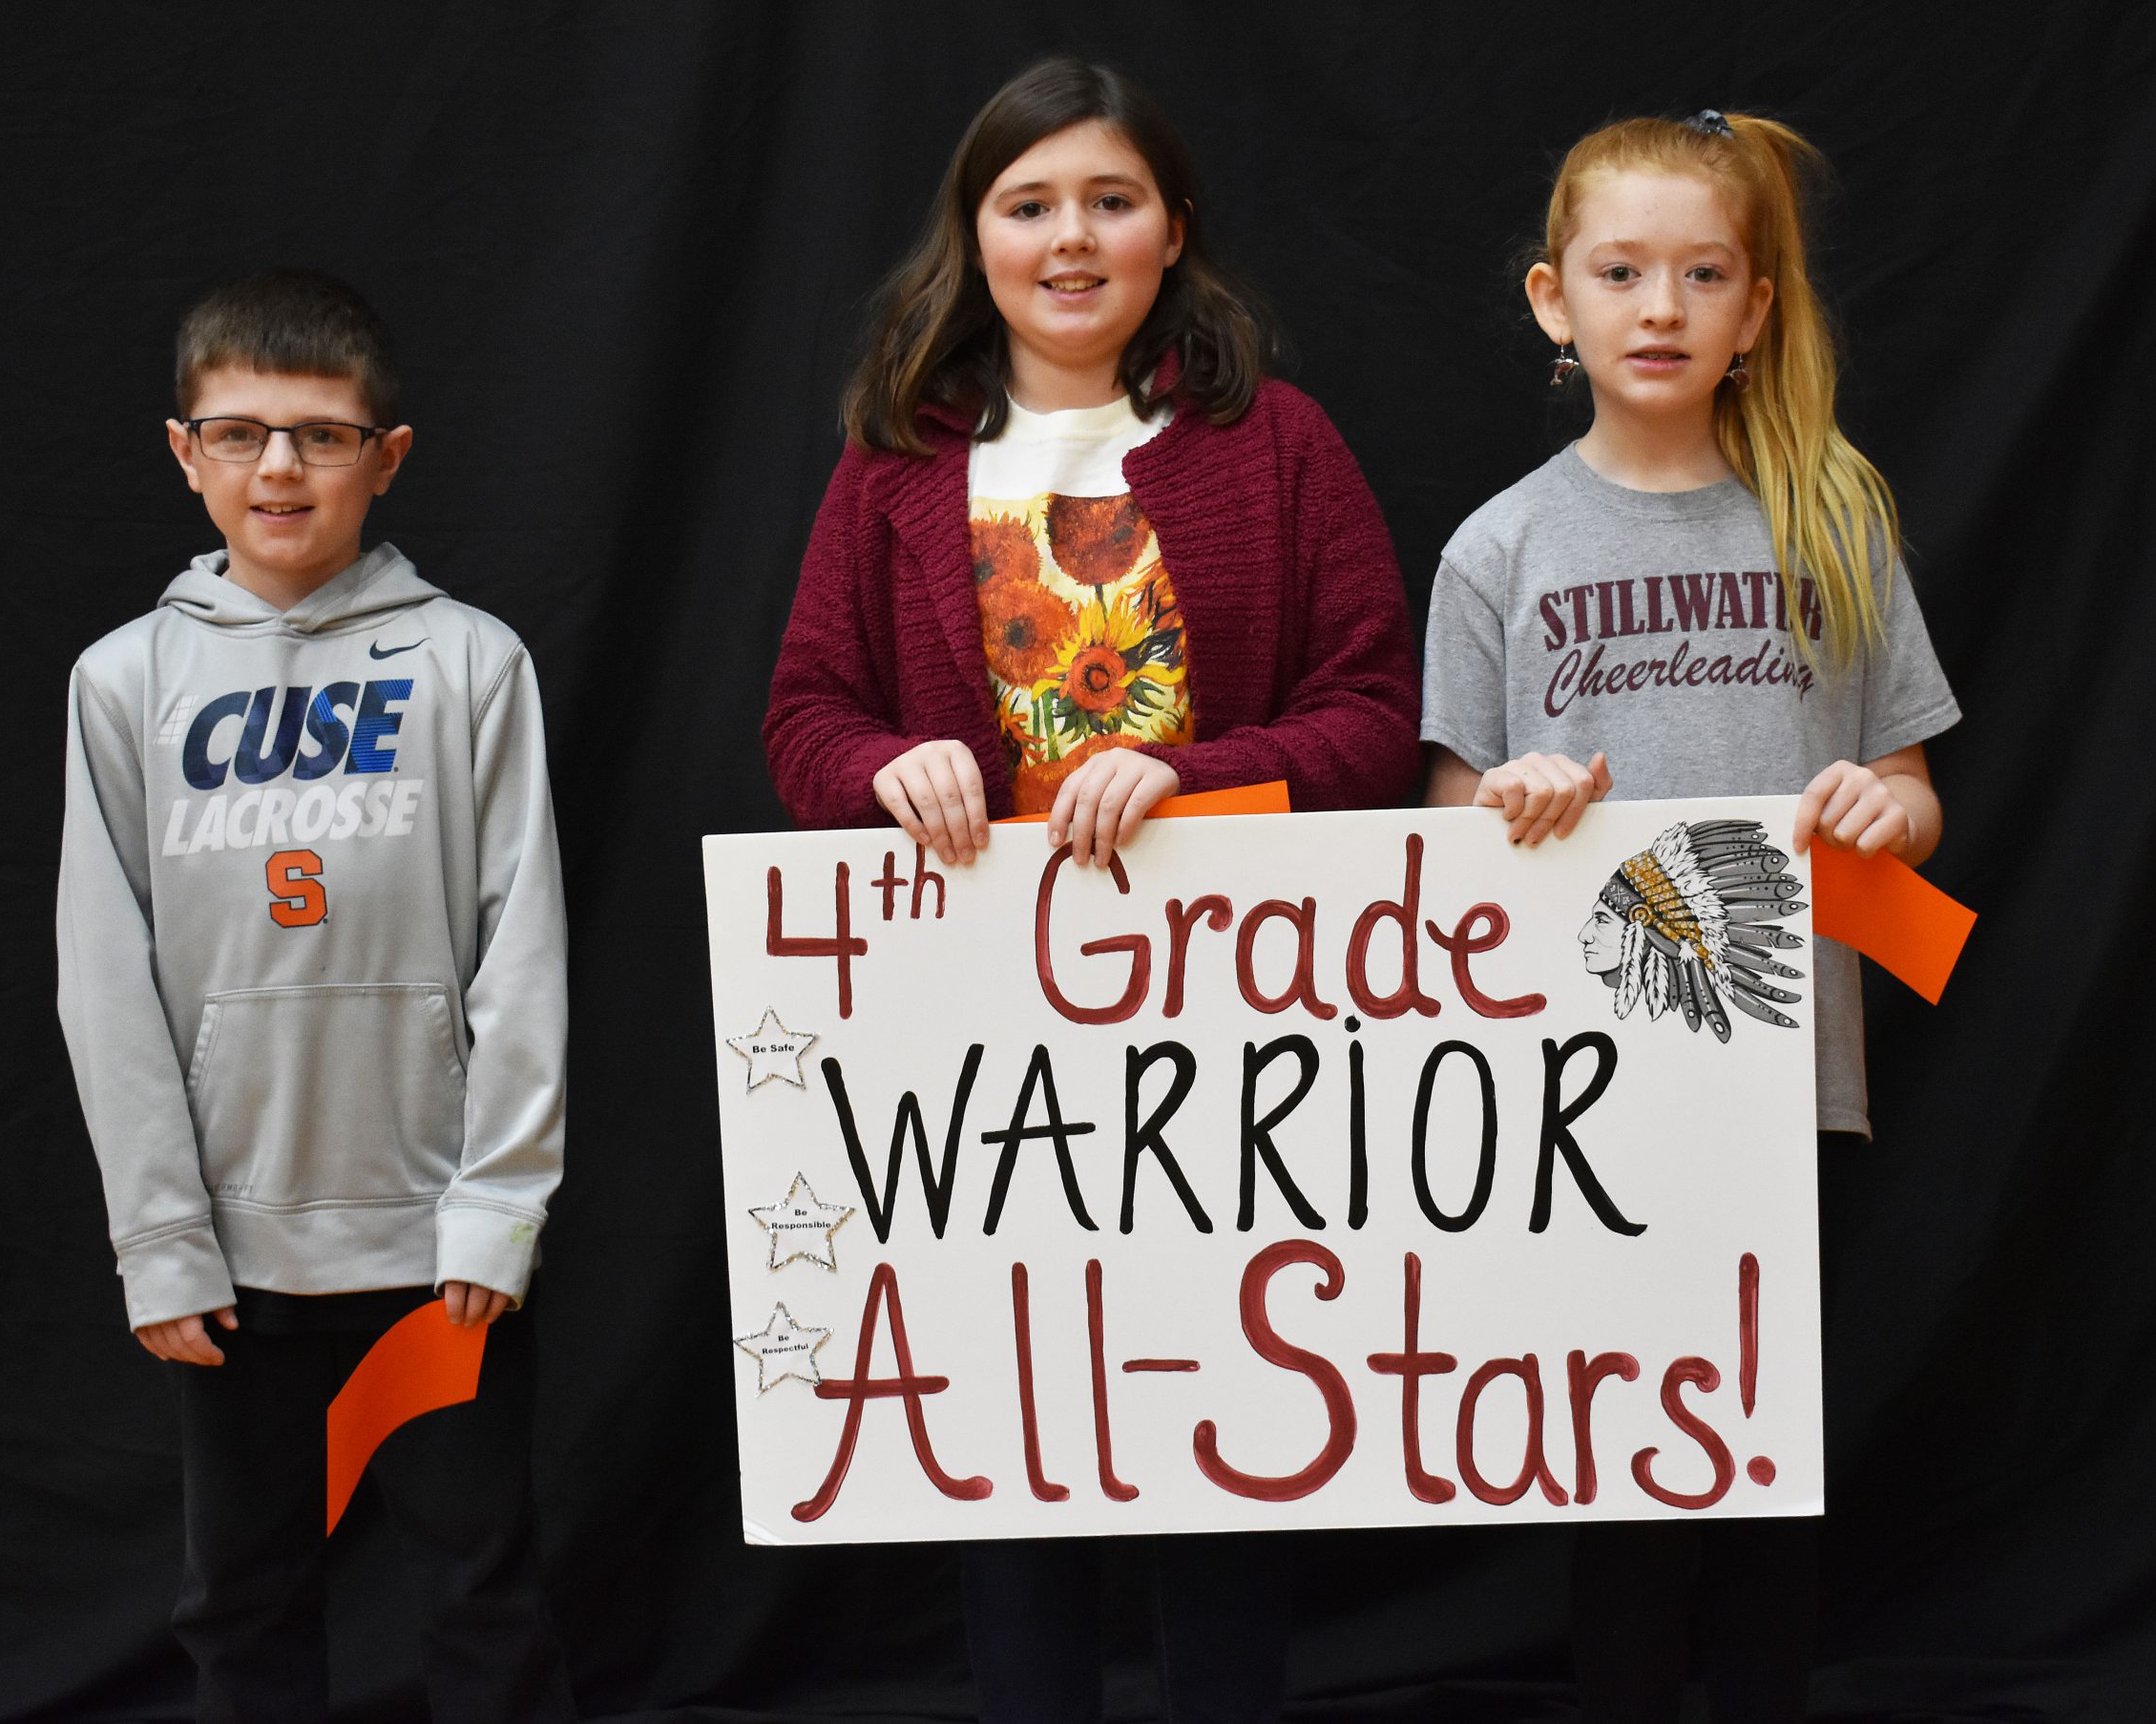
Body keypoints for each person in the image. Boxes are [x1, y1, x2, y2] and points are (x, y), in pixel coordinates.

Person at [764, 55, 1419, 1724]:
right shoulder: (895, 462)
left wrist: (1188, 779)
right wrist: (874, 772)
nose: (1071, 238)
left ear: (1173, 232)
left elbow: (1370, 719)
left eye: (1110, 200)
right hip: (998, 1052)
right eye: (1029, 203)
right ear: (972, 239)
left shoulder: (1275, 443)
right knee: (1021, 1444)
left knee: (1223, 1446)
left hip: (1236, 1032)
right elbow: (805, 715)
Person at [1420, 111, 1961, 1722]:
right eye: (1621, 271)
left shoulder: (1834, 520)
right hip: (1585, 1080)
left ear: (1757, 311)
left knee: (1765, 1440)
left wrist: (1887, 809)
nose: (1659, 306)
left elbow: (1913, 797)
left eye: (1702, 272)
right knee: (1626, 1449)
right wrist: (1505, 806)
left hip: (1783, 1071)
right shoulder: (1498, 547)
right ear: (1552, 301)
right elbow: (1444, 815)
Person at [55, 268, 576, 1721]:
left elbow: (522, 947)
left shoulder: (472, 665)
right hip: (234, 1257)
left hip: (437, 1242)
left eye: (320, 434)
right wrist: (160, 1236)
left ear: (385, 457)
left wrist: (498, 1203)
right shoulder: (124, 682)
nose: (279, 465)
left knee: (481, 1595)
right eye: (240, 433)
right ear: (186, 453)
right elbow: (104, 976)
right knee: (246, 1602)